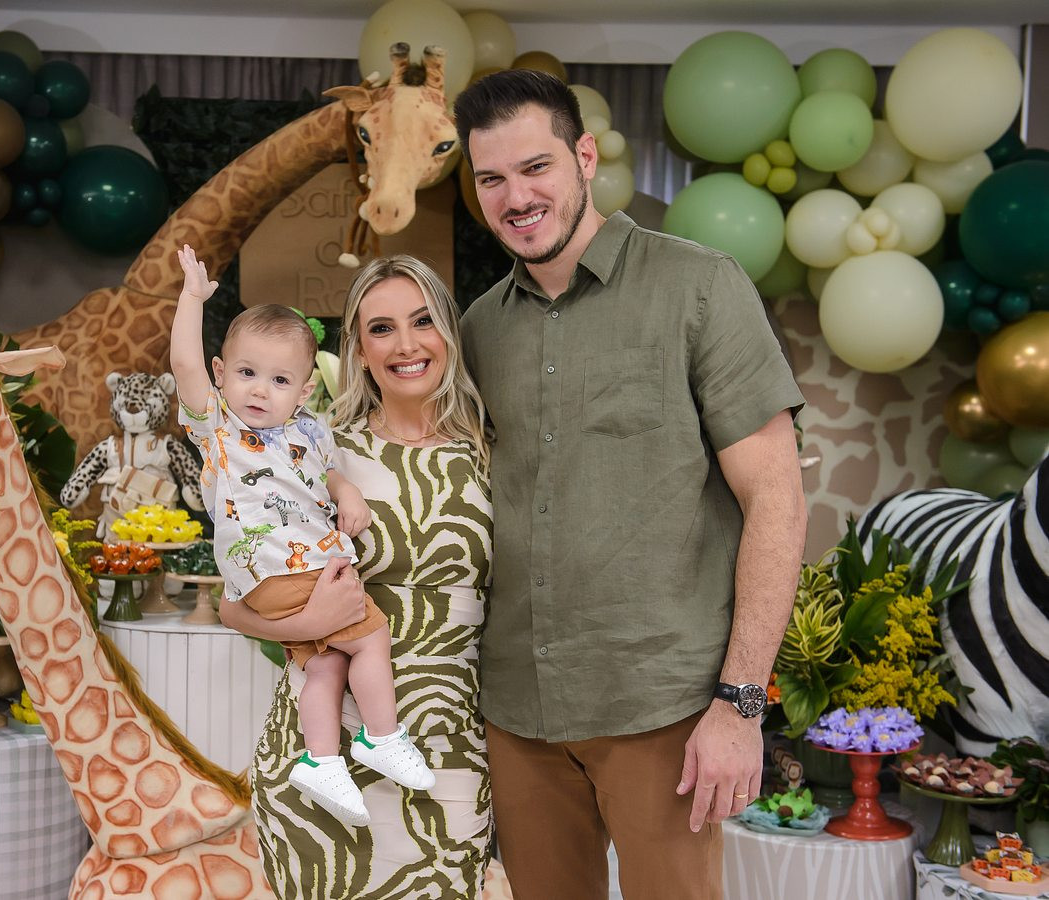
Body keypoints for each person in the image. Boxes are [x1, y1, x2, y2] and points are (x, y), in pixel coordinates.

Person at [453, 69, 808, 899]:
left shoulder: (697, 287)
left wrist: (739, 705)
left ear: (584, 157)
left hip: (663, 707)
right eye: (491, 178)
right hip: (517, 711)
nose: (515, 197)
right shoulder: (476, 330)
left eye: (534, 167)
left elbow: (776, 500)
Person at [217, 255, 495, 899]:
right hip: (322, 758)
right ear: (359, 350)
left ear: (449, 333)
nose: (406, 345)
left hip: (449, 750)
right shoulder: (312, 446)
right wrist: (310, 622)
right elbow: (233, 599)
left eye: (423, 321)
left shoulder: (491, 450)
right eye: (381, 329)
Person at [170, 245, 435, 828]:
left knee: (326, 665)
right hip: (284, 570)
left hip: (298, 571)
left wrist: (347, 491)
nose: (259, 391)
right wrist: (191, 298)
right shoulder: (220, 428)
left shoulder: (309, 430)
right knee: (370, 638)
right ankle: (382, 735)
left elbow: (327, 473)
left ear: (304, 388)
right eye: (246, 373)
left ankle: (321, 761)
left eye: (279, 380)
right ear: (220, 374)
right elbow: (184, 365)